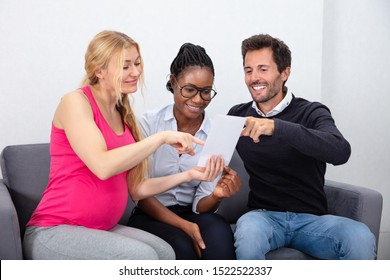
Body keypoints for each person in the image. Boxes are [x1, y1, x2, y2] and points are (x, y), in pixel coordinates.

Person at [23, 31, 224, 260]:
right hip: (55, 229)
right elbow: (102, 165)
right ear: (99, 70)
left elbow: (137, 188)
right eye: (125, 66)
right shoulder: (75, 102)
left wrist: (189, 174)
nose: (136, 72)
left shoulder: (123, 114)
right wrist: (161, 138)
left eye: (137, 63)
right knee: (144, 257)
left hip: (101, 228)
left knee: (166, 253)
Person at [228, 34, 376, 260]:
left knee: (359, 236)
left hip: (313, 221)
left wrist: (276, 127)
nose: (254, 77)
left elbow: (340, 151)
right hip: (263, 218)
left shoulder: (312, 112)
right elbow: (213, 154)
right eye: (248, 70)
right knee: (248, 232)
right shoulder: (238, 115)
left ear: (285, 72)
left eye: (263, 69)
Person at [127, 43, 241, 260]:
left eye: (206, 92)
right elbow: (139, 192)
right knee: (182, 247)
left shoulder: (217, 133)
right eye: (189, 90)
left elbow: (201, 205)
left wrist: (216, 196)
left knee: (220, 239)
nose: (198, 100)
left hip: (194, 213)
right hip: (150, 213)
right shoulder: (148, 124)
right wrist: (184, 226)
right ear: (173, 82)